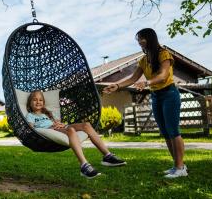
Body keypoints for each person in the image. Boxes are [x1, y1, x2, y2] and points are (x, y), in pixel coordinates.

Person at [103, 28, 187, 178]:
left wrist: (147, 82)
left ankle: (180, 167)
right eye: (138, 40)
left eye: (141, 39)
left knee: (173, 131)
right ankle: (177, 166)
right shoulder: (143, 60)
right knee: (166, 133)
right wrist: (117, 86)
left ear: (150, 38)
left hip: (169, 94)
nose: (139, 42)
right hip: (156, 96)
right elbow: (132, 79)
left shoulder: (163, 54)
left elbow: (163, 75)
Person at [26, 90, 126, 180]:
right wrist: (50, 128)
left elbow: (56, 123)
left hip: (60, 127)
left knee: (86, 125)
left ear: (43, 103)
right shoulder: (30, 115)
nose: (38, 102)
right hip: (51, 130)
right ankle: (84, 165)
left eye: (40, 100)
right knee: (71, 130)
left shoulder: (47, 114)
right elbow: (31, 129)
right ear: (30, 103)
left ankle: (107, 156)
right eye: (35, 100)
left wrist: (60, 124)